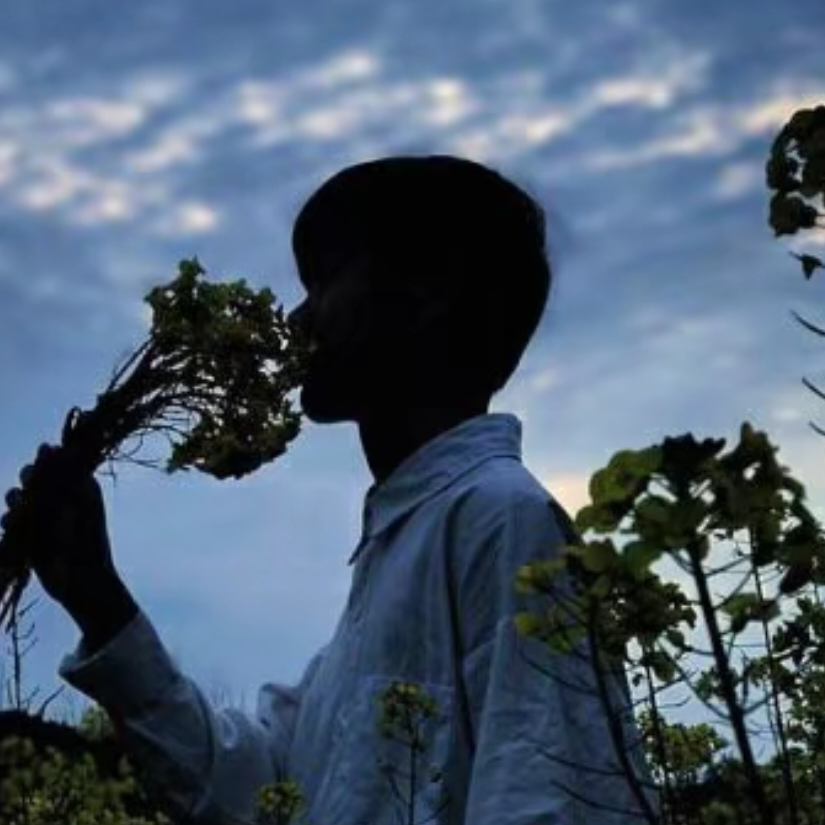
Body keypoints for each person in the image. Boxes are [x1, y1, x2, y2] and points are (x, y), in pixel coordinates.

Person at [2, 156, 658, 824]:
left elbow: (553, 804)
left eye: (324, 279)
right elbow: (259, 795)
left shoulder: (502, 520)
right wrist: (100, 602)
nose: (296, 318)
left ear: (430, 287)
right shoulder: (396, 561)